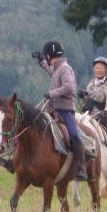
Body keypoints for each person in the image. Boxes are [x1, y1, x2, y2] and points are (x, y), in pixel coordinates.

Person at [32, 40, 88, 180]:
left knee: (74, 135)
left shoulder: (65, 68)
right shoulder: (57, 68)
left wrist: (51, 94)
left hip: (66, 110)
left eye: (46, 56)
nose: (46, 58)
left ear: (49, 55)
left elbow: (69, 87)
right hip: (53, 109)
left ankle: (81, 168)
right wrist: (42, 63)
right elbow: (52, 72)